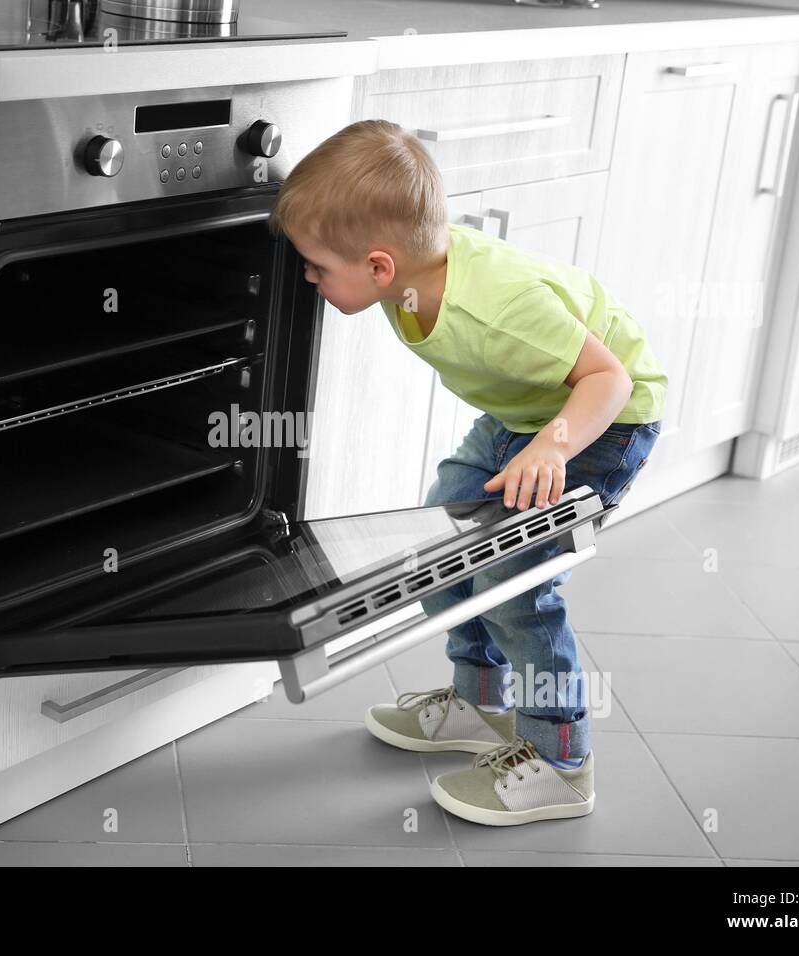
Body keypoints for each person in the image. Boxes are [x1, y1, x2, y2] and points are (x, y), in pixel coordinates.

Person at [268, 119, 668, 826]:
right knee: (445, 541)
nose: (307, 274)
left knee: (516, 581)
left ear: (380, 268)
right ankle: (482, 703)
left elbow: (605, 379)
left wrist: (551, 447)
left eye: (317, 265)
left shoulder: (500, 310)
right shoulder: (408, 281)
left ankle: (562, 760)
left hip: (602, 418)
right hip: (530, 410)